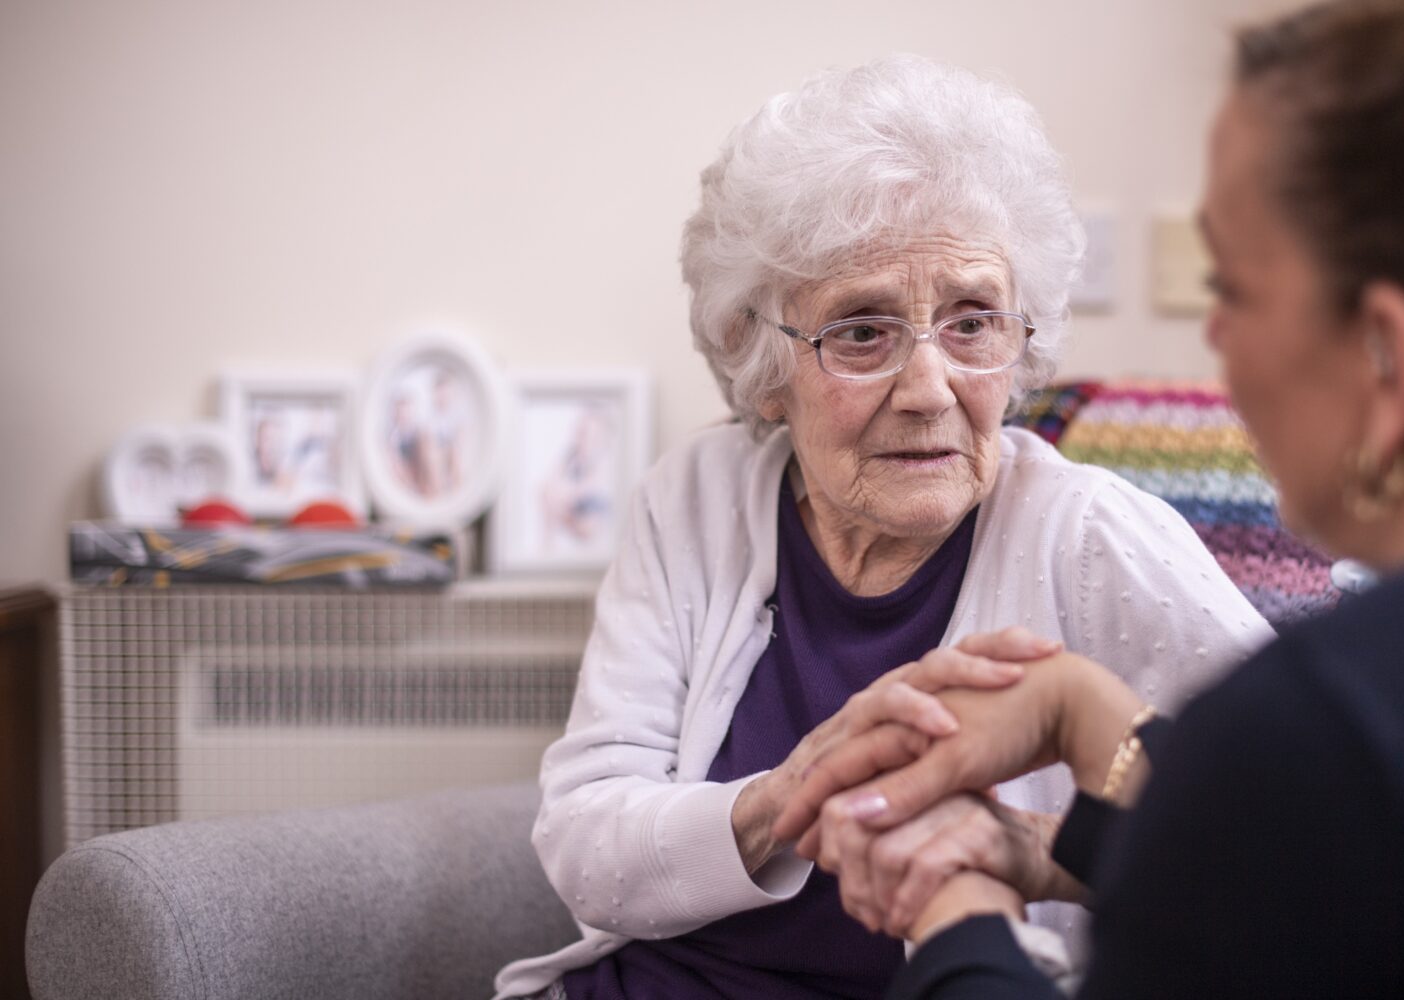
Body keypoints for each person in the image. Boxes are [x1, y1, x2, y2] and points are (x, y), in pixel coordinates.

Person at [775, 1, 1404, 996]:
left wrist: (957, 909)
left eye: (1232, 289)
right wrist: (1084, 726)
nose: (1213, 343)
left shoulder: (1323, 724)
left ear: (1390, 355)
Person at [492, 55, 1273, 1000]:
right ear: (762, 365)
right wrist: (785, 798)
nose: (929, 389)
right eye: (861, 331)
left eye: (973, 322)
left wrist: (1030, 848)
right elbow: (584, 846)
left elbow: (1303, 842)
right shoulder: (694, 498)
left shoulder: (1091, 538)